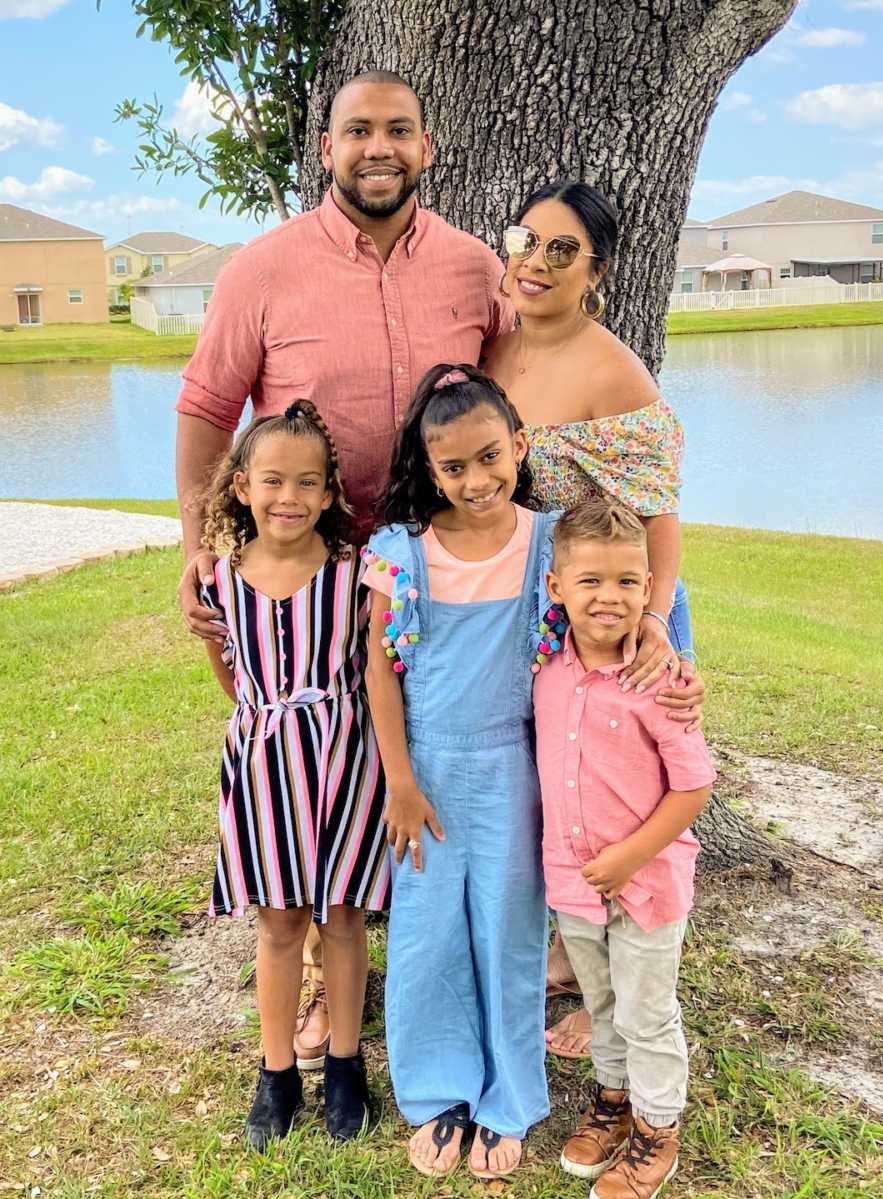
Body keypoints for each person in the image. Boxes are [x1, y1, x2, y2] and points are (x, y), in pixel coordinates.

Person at [175, 69, 511, 1061]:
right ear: (327, 149)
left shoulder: (472, 268)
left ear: (427, 146)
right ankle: (325, 983)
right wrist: (202, 544)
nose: (379, 146)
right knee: (322, 766)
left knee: (431, 761)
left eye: (398, 130)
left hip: (444, 571)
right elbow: (205, 407)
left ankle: (471, 952)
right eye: (357, 130)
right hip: (313, 572)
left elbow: (506, 401)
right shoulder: (263, 268)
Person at [482, 179, 705, 1058]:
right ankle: (575, 962)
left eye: (561, 250)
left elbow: (660, 514)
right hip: (548, 623)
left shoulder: (613, 367)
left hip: (626, 617)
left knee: (633, 806)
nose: (535, 261)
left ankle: (621, 994)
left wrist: (653, 622)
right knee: (568, 788)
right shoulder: (492, 352)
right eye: (525, 239)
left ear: (597, 271)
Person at [363, 364, 555, 1180]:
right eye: (453, 466)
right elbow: (379, 669)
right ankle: (439, 1089)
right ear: (428, 467)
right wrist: (399, 780)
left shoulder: (548, 542)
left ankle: (508, 1096)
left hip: (515, 769)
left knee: (509, 934)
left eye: (488, 457)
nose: (475, 480)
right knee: (428, 931)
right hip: (427, 775)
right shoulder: (402, 553)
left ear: (517, 444)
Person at [198, 400, 389, 1148]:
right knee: (279, 921)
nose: (291, 498)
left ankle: (345, 1062)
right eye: (273, 480)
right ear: (241, 485)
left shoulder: (354, 576)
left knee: (342, 914)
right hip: (264, 764)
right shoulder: (218, 580)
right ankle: (276, 1069)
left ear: (331, 491)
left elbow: (373, 674)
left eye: (309, 483)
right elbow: (229, 676)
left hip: (345, 759)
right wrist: (272, 721)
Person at [533, 498, 715, 1199]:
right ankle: (611, 1100)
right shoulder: (547, 672)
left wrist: (630, 857)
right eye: (590, 581)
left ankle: (657, 1128)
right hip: (575, 882)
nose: (609, 597)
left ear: (648, 591)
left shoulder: (658, 678)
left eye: (626, 582)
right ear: (556, 588)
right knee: (603, 1002)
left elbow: (693, 787)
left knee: (646, 1010)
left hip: (646, 886)